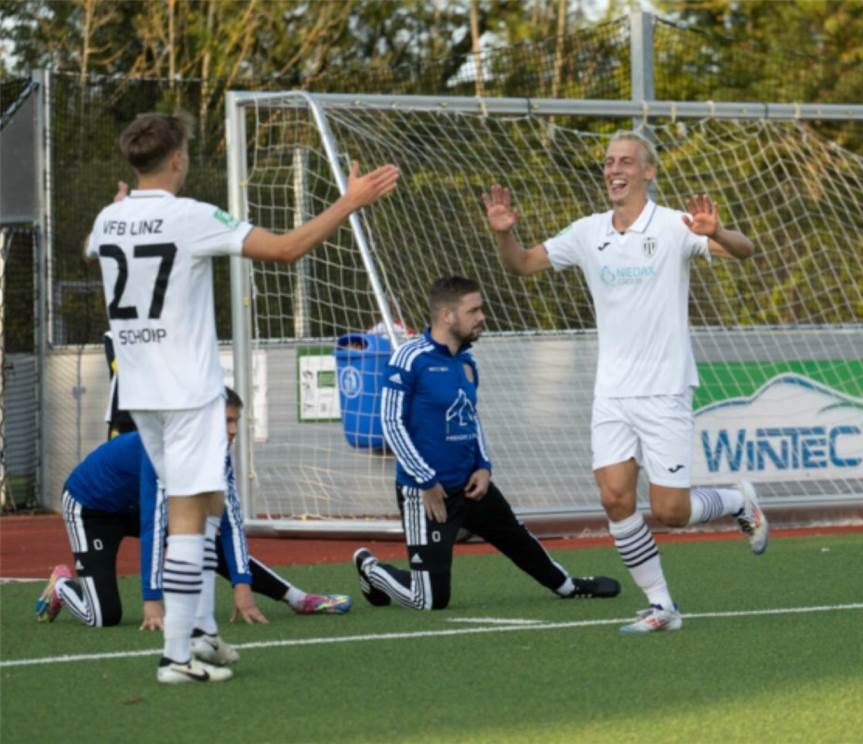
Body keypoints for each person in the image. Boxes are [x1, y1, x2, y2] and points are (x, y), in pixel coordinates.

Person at [85, 111, 398, 682]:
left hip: (140, 390)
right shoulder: (190, 215)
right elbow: (284, 250)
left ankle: (201, 633)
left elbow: (100, 254)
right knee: (187, 511)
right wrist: (348, 202)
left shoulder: (109, 218)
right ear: (177, 158)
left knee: (203, 505)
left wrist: (123, 208)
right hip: (187, 389)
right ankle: (176, 657)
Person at [481, 130, 769, 634]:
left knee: (671, 512)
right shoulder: (588, 232)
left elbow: (746, 251)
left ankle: (739, 502)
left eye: (626, 162)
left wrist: (717, 232)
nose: (614, 169)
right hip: (611, 392)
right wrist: (504, 233)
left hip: (665, 389)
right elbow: (523, 264)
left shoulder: (676, 225)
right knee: (615, 499)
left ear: (648, 171)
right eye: (609, 161)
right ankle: (662, 606)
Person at [353, 276, 620, 610]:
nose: (482, 317)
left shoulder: (467, 361)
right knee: (429, 600)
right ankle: (371, 569)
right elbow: (391, 423)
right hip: (426, 493)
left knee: (516, 537)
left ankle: (567, 586)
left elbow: (470, 416)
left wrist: (484, 465)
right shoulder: (408, 358)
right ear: (447, 315)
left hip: (470, 484)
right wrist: (426, 480)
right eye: (474, 310)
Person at [35, 389, 351, 643]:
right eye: (226, 421)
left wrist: (242, 585)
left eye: (236, 421)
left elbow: (230, 523)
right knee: (102, 617)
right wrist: (152, 599)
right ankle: (62, 585)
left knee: (206, 537)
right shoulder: (163, 449)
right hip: (92, 509)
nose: (232, 431)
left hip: (138, 506)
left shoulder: (218, 457)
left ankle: (299, 599)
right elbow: (152, 529)